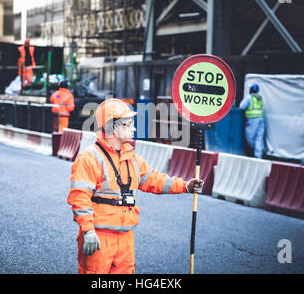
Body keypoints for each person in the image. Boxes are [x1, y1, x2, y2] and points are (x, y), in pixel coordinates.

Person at [67, 98, 204, 274]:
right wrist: (88, 231)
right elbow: (80, 198)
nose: (134, 129)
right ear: (113, 127)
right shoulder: (89, 158)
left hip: (126, 239)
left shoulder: (132, 159)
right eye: (128, 124)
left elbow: (154, 180)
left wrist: (186, 186)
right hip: (100, 236)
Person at [239, 83, 265, 158]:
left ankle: (253, 152)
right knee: (259, 138)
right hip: (261, 119)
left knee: (249, 138)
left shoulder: (249, 97)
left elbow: (241, 106)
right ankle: (258, 155)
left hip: (253, 120)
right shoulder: (259, 97)